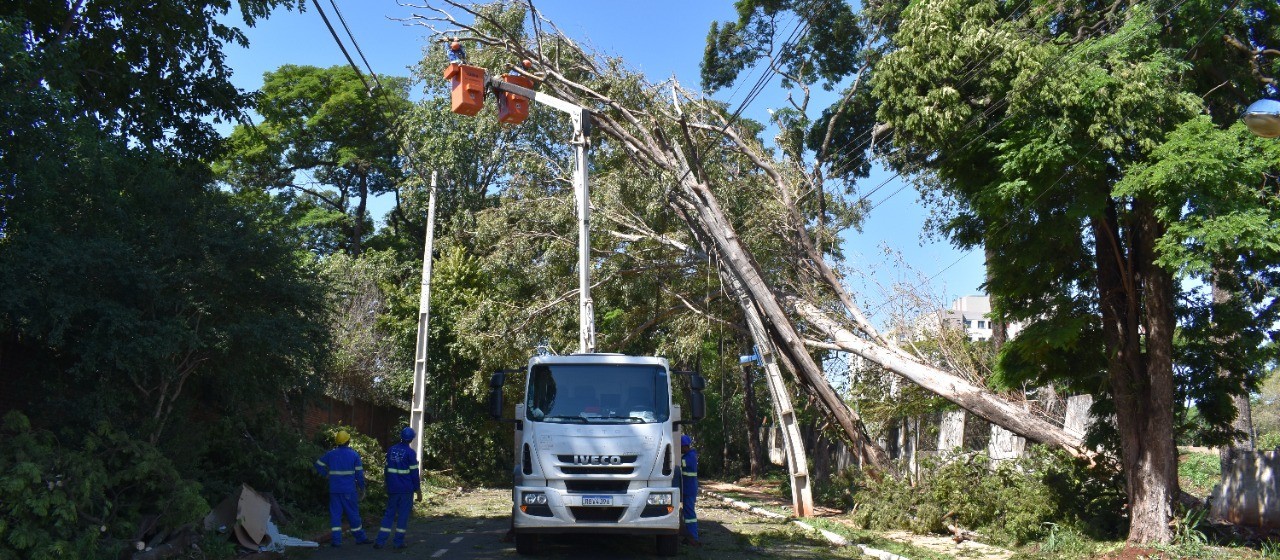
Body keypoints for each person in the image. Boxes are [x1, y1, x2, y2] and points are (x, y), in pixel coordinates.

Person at [314, 430, 371, 547]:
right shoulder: (354, 455)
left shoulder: (331, 454)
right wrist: (362, 488)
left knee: (335, 515)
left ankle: (336, 541)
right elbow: (359, 475)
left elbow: (318, 464)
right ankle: (360, 538)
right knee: (353, 515)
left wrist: (326, 474)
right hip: (349, 490)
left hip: (334, 490)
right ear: (348, 441)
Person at [375, 427, 423, 549]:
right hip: (406, 489)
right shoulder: (410, 453)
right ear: (412, 439)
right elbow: (414, 473)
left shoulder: (391, 450)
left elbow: (386, 470)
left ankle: (380, 541)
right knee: (403, 515)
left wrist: (387, 483)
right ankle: (398, 542)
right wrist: (418, 490)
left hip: (393, 488)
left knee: (389, 514)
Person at [678, 433, 701, 546]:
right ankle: (690, 536)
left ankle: (693, 538)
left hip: (689, 489)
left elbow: (679, 465)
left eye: (680, 447)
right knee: (687, 513)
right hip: (688, 489)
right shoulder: (689, 456)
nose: (680, 449)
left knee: (689, 514)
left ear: (685, 446)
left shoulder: (689, 457)